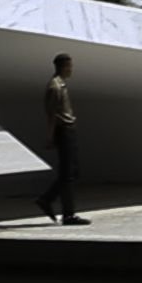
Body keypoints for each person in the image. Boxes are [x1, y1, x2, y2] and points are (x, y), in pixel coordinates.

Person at [42, 54, 87, 226]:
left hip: (69, 130)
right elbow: (51, 115)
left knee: (72, 173)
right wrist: (50, 137)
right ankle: (67, 214)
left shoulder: (61, 84)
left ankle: (47, 200)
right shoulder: (55, 87)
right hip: (63, 130)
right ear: (63, 67)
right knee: (67, 174)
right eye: (70, 66)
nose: (71, 69)